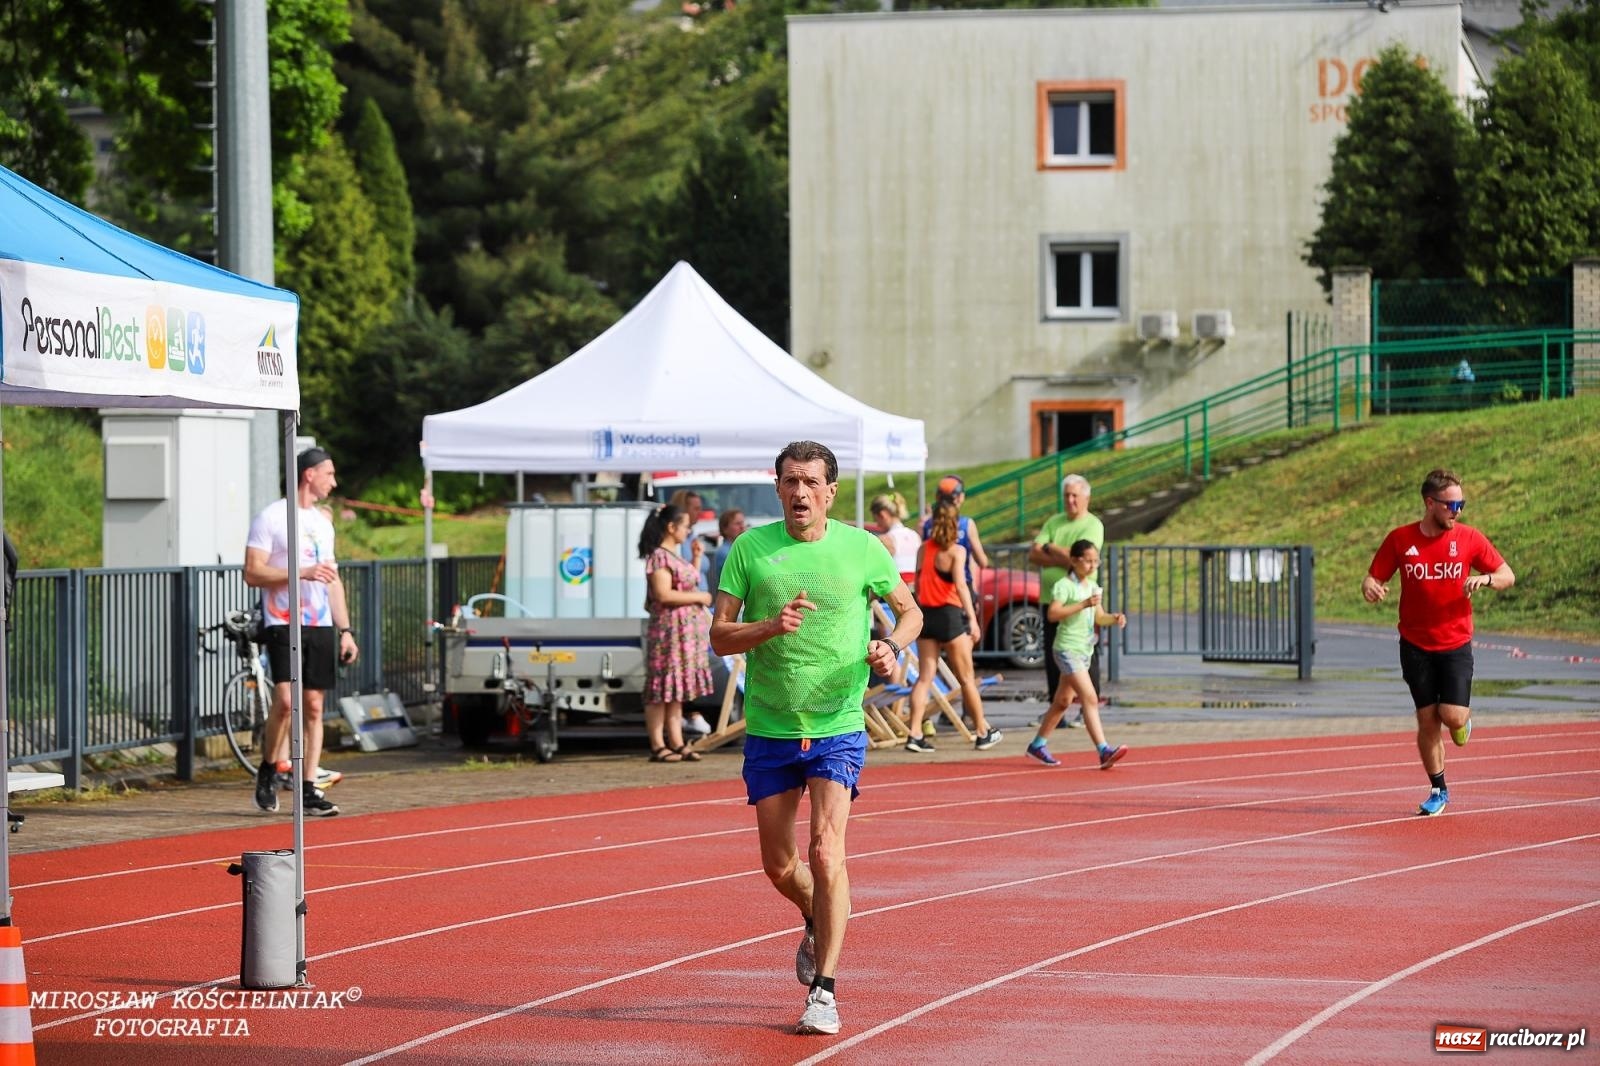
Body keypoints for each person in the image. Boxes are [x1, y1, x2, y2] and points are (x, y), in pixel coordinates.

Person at [710, 440, 922, 1037]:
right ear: (777, 488)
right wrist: (770, 626)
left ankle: (823, 992)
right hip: (773, 728)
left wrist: (891, 646)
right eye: (789, 482)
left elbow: (911, 613)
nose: (799, 492)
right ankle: (814, 914)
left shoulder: (862, 548)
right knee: (780, 867)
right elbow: (720, 637)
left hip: (837, 725)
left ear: (830, 491)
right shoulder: (749, 550)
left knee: (829, 853)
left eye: (810, 482)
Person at [1363, 468, 1514, 816]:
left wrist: (1486, 579)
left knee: (1452, 716)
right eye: (1451, 504)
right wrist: (1370, 586)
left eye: (1461, 503)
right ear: (1430, 503)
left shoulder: (1470, 538)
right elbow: (1373, 577)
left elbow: (1508, 575)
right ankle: (1438, 788)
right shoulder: (1400, 540)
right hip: (1415, 644)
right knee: (1427, 719)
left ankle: (1462, 723)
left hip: (1455, 642)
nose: (1457, 511)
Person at [243, 447, 357, 817]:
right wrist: (299, 572)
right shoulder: (272, 517)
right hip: (282, 620)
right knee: (287, 702)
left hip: (319, 623)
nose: (334, 482)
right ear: (309, 474)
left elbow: (332, 579)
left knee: (313, 706)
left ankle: (308, 787)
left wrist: (346, 629)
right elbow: (252, 572)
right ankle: (269, 768)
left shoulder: (324, 522)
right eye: (329, 474)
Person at [903, 500, 1003, 754]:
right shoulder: (956, 551)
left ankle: (914, 733)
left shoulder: (923, 549)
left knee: (925, 677)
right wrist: (971, 618)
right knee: (966, 678)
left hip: (927, 614)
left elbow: (918, 581)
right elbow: (960, 585)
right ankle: (982, 730)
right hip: (949, 615)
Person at [1026, 539, 1128, 769]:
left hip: (1084, 650)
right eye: (1088, 561)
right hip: (1066, 649)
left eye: (1096, 561)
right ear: (1074, 561)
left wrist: (1114, 618)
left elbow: (1099, 616)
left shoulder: (1091, 586)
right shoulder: (1065, 585)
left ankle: (1037, 745)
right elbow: (1053, 614)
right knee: (1090, 698)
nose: (1092, 566)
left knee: (1062, 702)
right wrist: (1082, 604)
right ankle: (1103, 751)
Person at [639, 503, 714, 762]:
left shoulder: (675, 555)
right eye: (685, 526)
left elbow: (686, 579)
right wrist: (700, 596)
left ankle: (677, 741)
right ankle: (658, 744)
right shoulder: (659, 556)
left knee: (675, 689)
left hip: (682, 632)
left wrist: (694, 557)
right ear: (671, 527)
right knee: (662, 687)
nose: (688, 530)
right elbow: (663, 593)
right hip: (668, 631)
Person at [1029, 474, 1105, 724]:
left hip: (1081, 598)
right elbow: (1035, 555)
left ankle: (1088, 707)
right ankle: (1056, 710)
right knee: (1054, 653)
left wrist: (1052, 548)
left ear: (1086, 497)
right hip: (1051, 597)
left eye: (1075, 496)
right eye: (1067, 496)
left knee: (1085, 651)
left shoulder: (1093, 524)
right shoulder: (1054, 521)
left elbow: (1085, 560)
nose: (1070, 500)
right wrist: (1061, 556)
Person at [920, 476, 988, 600]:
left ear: (937, 497)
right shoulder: (966, 524)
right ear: (959, 498)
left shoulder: (927, 525)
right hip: (960, 589)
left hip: (932, 590)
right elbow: (983, 562)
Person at [870, 492, 920, 585]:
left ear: (883, 515)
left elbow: (878, 573)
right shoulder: (915, 535)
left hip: (898, 589)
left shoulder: (885, 540)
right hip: (917, 589)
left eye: (876, 520)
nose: (877, 525)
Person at [706, 508, 748, 595]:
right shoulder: (725, 552)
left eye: (743, 523)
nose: (742, 527)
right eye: (737, 524)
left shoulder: (739, 548)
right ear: (725, 529)